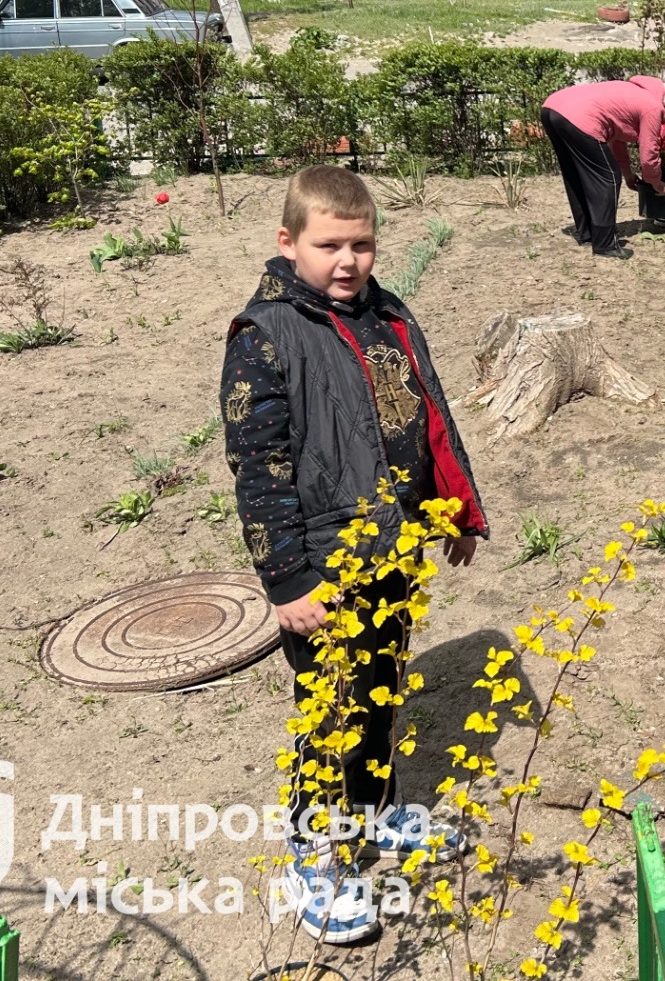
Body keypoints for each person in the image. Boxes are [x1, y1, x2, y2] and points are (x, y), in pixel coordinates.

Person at [222, 165, 488, 943]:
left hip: (395, 544)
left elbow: (426, 415)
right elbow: (259, 468)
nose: (348, 261)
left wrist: (454, 510)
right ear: (288, 242)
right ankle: (315, 852)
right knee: (329, 706)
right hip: (322, 564)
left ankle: (374, 813)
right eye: (329, 244)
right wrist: (288, 578)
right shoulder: (265, 335)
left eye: (362, 244)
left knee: (382, 685)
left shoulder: (387, 316)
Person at [539, 75, 665, 259]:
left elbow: (617, 139)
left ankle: (588, 234)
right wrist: (655, 182)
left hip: (552, 108)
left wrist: (628, 174)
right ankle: (605, 244)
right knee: (607, 177)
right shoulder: (653, 107)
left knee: (576, 174)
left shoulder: (637, 93)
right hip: (577, 117)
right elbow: (649, 155)